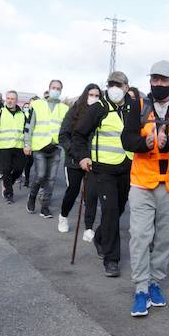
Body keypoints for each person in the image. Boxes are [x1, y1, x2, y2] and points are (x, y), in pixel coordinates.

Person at [122, 61, 169, 316]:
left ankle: (155, 281)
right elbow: (127, 138)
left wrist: (167, 144)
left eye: (163, 80)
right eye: (154, 79)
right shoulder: (139, 104)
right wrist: (145, 142)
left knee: (166, 238)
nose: (157, 84)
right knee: (140, 236)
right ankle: (141, 288)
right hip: (143, 182)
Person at [71, 71, 133, 277]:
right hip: (103, 169)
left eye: (118, 84)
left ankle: (100, 237)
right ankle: (111, 259)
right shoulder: (98, 108)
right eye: (111, 84)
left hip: (126, 168)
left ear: (126, 87)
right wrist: (82, 157)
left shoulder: (133, 108)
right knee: (110, 211)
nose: (114, 87)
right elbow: (78, 135)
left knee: (119, 209)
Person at [57, 83, 101, 234]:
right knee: (73, 190)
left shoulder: (102, 113)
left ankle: (89, 227)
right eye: (91, 95)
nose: (94, 98)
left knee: (91, 195)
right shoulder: (74, 111)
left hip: (93, 160)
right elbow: (63, 136)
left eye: (97, 96)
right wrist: (75, 153)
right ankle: (63, 216)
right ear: (85, 95)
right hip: (74, 159)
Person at [24, 79, 68, 219]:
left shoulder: (64, 108)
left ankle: (45, 206)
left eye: (58, 88)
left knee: (51, 179)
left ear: (61, 91)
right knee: (40, 175)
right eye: (54, 87)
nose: (56, 90)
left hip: (55, 148)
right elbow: (29, 126)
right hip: (39, 146)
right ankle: (32, 198)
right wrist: (27, 144)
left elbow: (66, 130)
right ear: (49, 89)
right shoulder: (37, 105)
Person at [0, 91, 28, 203]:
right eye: (8, 98)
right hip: (4, 147)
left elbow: (26, 131)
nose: (10, 100)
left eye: (12, 99)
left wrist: (27, 145)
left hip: (19, 147)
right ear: (6, 100)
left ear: (16, 101)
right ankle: (8, 194)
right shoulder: (0, 113)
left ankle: (7, 183)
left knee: (19, 169)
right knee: (6, 170)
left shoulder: (22, 115)